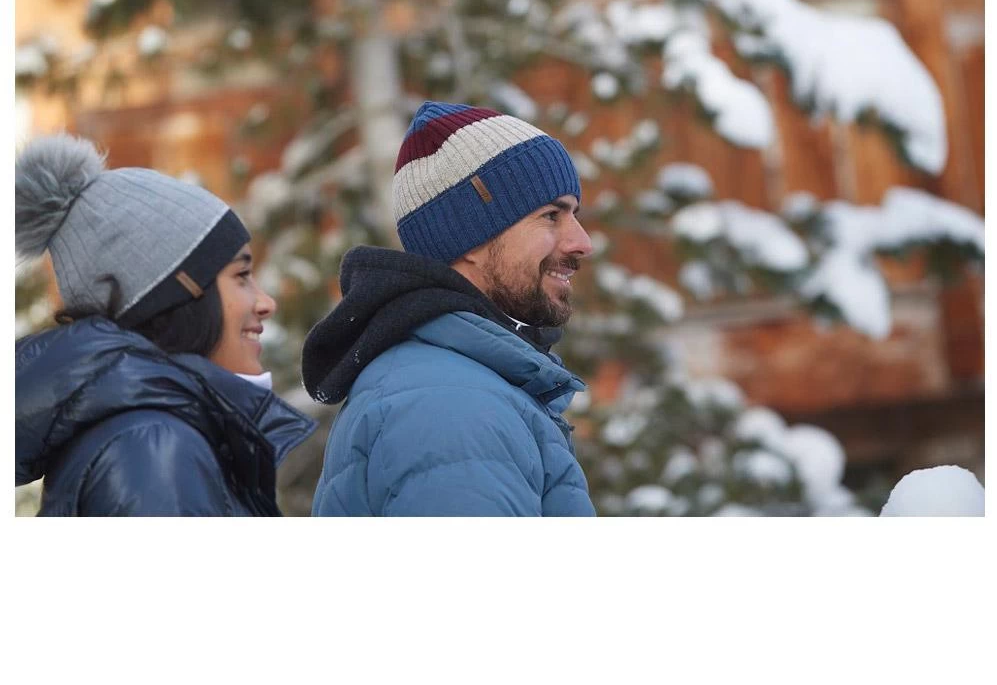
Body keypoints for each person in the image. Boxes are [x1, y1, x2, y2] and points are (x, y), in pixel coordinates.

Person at [304, 101, 596, 516]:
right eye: (551, 215)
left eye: (574, 214)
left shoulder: (463, 384)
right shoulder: (451, 407)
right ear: (471, 238)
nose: (582, 242)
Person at [15, 133, 317, 516]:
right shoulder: (152, 450)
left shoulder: (147, 436)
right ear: (177, 294)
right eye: (241, 276)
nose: (266, 302)